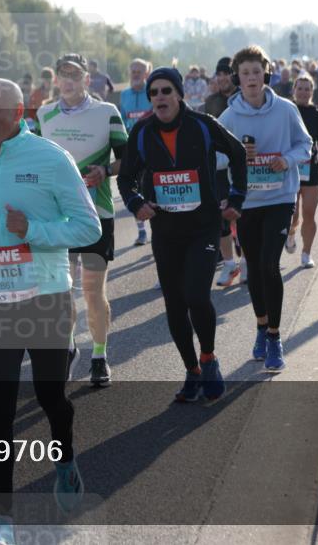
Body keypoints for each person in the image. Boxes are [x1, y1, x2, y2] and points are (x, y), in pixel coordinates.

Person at [0, 78, 100, 544]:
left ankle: (65, 457)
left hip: (46, 295)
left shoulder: (52, 158)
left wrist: (33, 228)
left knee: (51, 397)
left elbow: (87, 227)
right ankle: (1, 521)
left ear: (18, 112)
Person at [118, 67, 247, 403]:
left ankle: (209, 358)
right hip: (166, 230)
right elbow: (126, 177)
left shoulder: (203, 125)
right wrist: (135, 202)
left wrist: (236, 197)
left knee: (196, 295)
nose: (159, 97)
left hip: (202, 226)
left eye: (165, 91)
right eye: (153, 93)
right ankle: (192, 371)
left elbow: (237, 154)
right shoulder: (143, 132)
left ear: (179, 94)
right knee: (174, 305)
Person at [218, 46, 312, 373]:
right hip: (247, 203)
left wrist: (285, 160)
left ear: (266, 74)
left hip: (280, 198)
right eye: (245, 73)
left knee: (271, 265)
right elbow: (213, 156)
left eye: (256, 72)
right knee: (254, 269)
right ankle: (260, 326)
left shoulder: (285, 110)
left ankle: (274, 337)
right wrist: (236, 156)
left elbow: (306, 145)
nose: (252, 79)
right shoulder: (228, 118)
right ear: (237, 78)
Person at [37, 53, 128, 387]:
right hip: (54, 218)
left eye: (76, 75)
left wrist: (105, 170)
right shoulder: (43, 115)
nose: (69, 80)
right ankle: (69, 347)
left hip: (96, 215)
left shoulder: (107, 113)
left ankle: (100, 355)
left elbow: (129, 158)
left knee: (92, 291)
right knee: (60, 292)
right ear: (56, 80)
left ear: (87, 79)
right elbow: (29, 157)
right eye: (63, 75)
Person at [202, 57, 243, 287]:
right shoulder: (211, 102)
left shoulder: (243, 99)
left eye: (226, 73)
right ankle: (229, 264)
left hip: (241, 164)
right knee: (221, 216)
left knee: (242, 213)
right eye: (219, 74)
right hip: (218, 166)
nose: (222, 78)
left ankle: (246, 261)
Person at [285, 76, 318, 268]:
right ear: (294, 90)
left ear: (312, 91)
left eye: (307, 89)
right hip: (290, 168)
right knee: (291, 215)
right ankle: (291, 233)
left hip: (311, 168)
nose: (303, 92)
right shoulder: (287, 112)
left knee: (309, 214)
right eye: (300, 88)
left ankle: (306, 254)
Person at [119, 58, 153, 246]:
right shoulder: (124, 95)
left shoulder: (153, 91)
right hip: (133, 150)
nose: (135, 74)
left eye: (139, 71)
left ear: (147, 73)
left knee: (152, 191)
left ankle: (157, 228)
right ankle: (141, 231)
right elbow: (123, 121)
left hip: (153, 149)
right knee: (134, 191)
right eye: (132, 71)